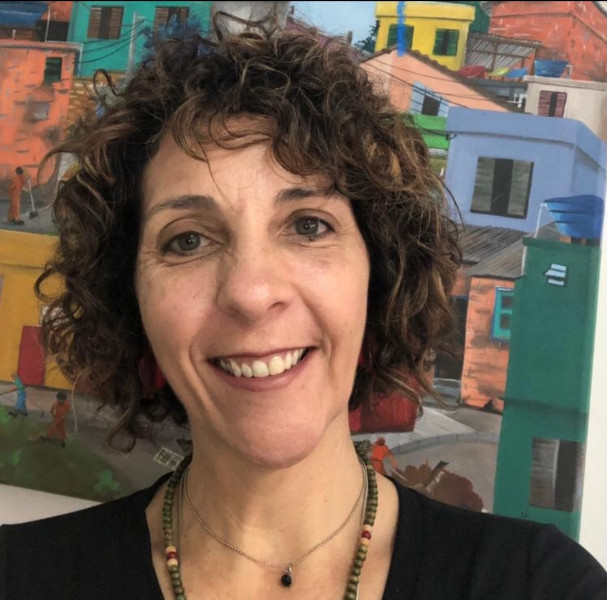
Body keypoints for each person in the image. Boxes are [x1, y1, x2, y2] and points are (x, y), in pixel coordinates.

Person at [1, 23, 606, 600]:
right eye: (187, 239)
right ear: (129, 297)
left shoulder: (542, 585)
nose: (251, 292)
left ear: (380, 274)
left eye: (308, 225)